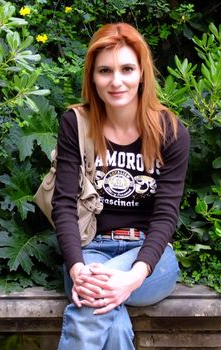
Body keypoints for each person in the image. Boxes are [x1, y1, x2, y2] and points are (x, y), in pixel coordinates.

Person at [51, 22, 190, 349]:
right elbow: (63, 205)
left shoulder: (170, 131)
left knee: (90, 304)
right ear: (92, 77)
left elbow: (166, 217)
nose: (116, 81)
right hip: (89, 252)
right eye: (105, 71)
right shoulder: (76, 124)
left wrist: (132, 277)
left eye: (127, 68)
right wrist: (77, 269)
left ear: (142, 73)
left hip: (150, 260)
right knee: (110, 323)